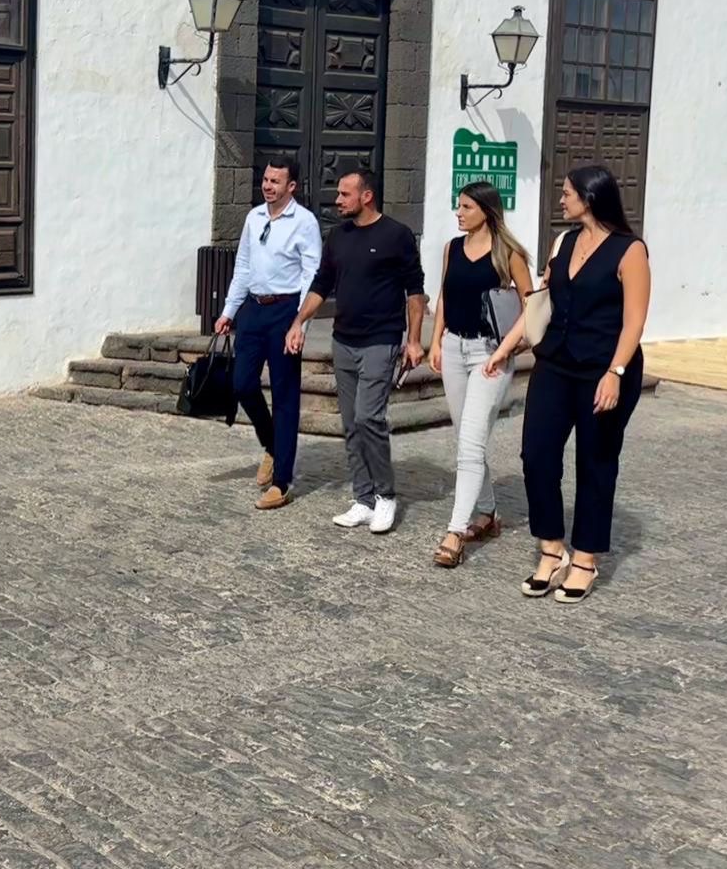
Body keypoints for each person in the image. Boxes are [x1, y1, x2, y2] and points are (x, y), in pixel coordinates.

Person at [484, 164, 651, 604]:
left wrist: (615, 372)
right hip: (555, 363)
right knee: (536, 454)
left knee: (595, 462)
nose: (561, 200)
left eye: (567, 193)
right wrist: (506, 347)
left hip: (604, 369)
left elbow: (634, 321)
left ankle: (586, 559)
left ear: (590, 198)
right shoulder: (563, 241)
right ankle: (551, 548)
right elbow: (542, 302)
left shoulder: (630, 251)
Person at [286, 169, 424, 534]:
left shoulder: (397, 235)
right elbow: (321, 284)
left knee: (369, 418)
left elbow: (415, 290)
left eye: (345, 194)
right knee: (350, 425)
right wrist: (299, 322)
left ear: (367, 196)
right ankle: (362, 499)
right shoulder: (338, 236)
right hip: (343, 340)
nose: (337, 200)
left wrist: (414, 339)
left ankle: (386, 495)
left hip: (381, 339)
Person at [428, 181, 533, 568]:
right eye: (458, 206)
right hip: (455, 348)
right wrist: (436, 340)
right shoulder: (451, 249)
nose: (458, 213)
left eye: (466, 207)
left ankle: (456, 532)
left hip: (491, 354)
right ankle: (487, 514)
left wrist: (507, 351)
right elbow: (444, 296)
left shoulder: (510, 254)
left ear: (486, 211)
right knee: (465, 438)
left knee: (470, 442)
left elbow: (532, 307)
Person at [214, 157, 322, 510]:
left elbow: (311, 275)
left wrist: (299, 324)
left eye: (276, 181)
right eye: (265, 179)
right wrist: (229, 311)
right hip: (254, 311)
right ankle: (273, 444)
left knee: (285, 395)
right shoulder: (254, 217)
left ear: (291, 186)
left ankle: (282, 481)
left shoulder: (304, 222)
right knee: (241, 383)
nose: (268, 185)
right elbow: (243, 266)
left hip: (285, 310)